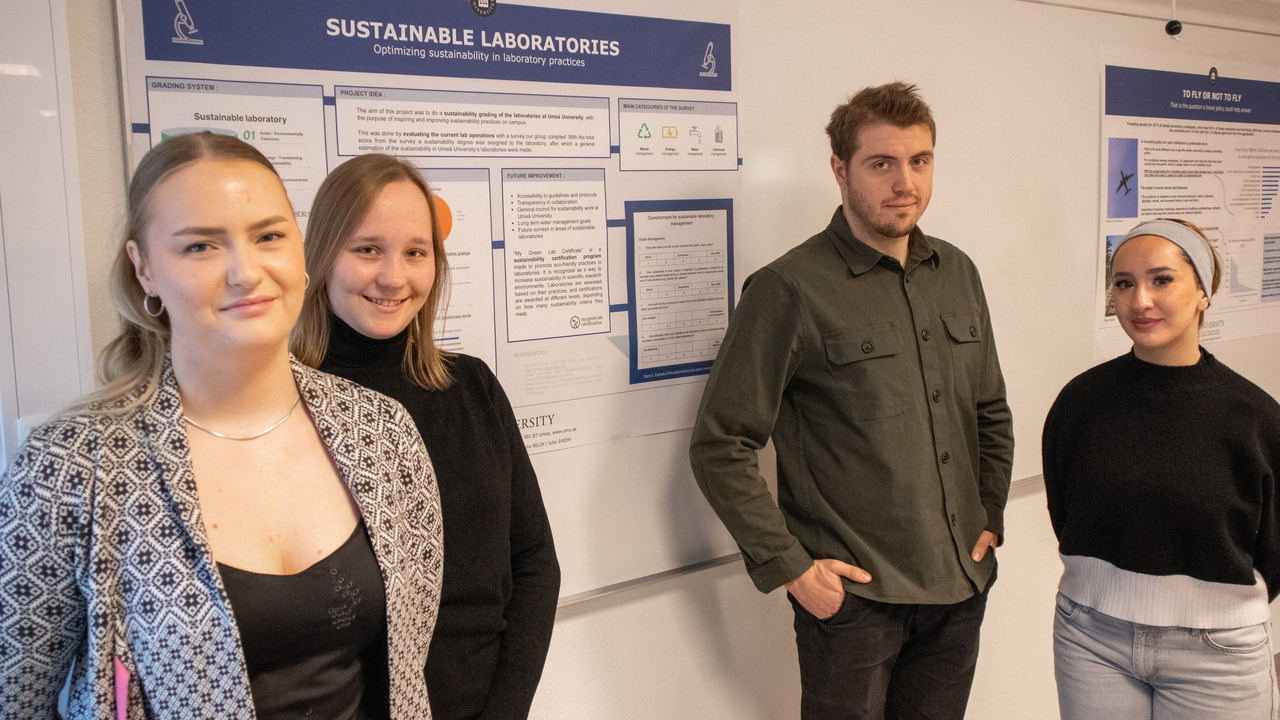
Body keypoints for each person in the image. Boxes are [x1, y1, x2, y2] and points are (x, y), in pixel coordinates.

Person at [0, 133, 443, 720]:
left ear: (301, 249)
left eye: (268, 236)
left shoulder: (381, 432)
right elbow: (14, 700)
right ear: (144, 269)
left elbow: (406, 671)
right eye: (201, 246)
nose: (245, 272)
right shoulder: (72, 466)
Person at [689, 82, 1014, 719]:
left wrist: (991, 514)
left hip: (959, 588)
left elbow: (990, 411)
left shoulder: (959, 273)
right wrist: (793, 568)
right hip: (857, 604)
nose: (905, 183)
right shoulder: (788, 289)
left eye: (919, 161)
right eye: (881, 163)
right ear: (840, 170)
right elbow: (720, 443)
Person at [292, 153, 560, 720]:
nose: (393, 276)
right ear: (320, 257)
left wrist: (505, 710)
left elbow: (534, 561)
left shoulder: (472, 388)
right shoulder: (282, 405)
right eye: (367, 249)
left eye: (415, 252)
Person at [1043, 218, 1280, 719]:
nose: (1139, 301)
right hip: (1091, 638)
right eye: (1124, 283)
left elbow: (1273, 548)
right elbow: (1065, 512)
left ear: (1202, 292)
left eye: (1161, 279)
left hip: (1218, 655)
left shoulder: (1255, 417)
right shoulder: (1080, 402)